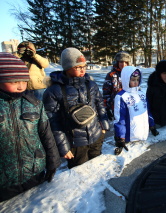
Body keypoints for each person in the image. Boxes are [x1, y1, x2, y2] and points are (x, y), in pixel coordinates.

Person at [0, 52, 60, 202]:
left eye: (24, 80)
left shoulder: (34, 103)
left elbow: (46, 135)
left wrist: (53, 163)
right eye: (14, 81)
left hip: (35, 172)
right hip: (4, 182)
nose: (21, 86)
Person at [43, 47, 109, 169]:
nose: (82, 70)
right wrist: (63, 147)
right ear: (67, 67)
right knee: (80, 173)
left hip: (96, 136)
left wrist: (104, 125)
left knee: (97, 167)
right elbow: (53, 122)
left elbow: (100, 104)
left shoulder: (91, 84)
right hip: (75, 143)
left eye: (84, 66)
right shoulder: (54, 91)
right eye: (78, 67)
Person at [113, 66, 159, 155]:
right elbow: (120, 118)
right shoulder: (121, 96)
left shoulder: (141, 94)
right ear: (126, 80)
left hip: (143, 135)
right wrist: (120, 137)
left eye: (138, 80)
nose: (136, 82)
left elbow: (147, 111)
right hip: (130, 136)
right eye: (133, 80)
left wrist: (152, 125)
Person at [102, 51, 131, 120]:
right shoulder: (111, 75)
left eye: (125, 62)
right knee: (119, 127)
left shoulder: (132, 74)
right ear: (117, 62)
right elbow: (106, 93)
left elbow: (137, 90)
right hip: (116, 106)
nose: (123, 64)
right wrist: (107, 108)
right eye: (121, 62)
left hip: (130, 106)